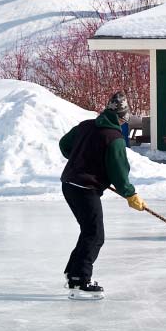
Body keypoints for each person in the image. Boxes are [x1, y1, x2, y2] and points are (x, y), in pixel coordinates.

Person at [59, 91, 147, 299]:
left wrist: (81, 161)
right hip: (84, 189)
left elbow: (64, 144)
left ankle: (74, 273)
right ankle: (79, 281)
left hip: (69, 185)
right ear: (121, 117)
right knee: (95, 235)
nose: (125, 120)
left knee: (89, 231)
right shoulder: (114, 139)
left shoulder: (86, 125)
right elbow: (119, 171)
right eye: (125, 117)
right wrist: (130, 194)